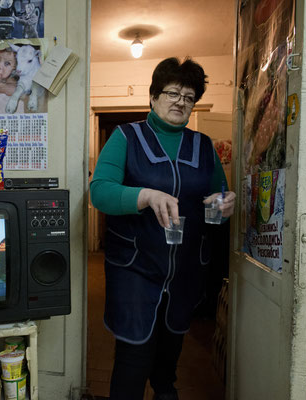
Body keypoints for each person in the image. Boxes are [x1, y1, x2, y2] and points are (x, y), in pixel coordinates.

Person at [90, 57, 236, 400]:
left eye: (189, 96)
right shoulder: (127, 137)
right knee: (134, 357)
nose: (180, 101)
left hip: (185, 270)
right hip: (135, 266)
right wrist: (145, 195)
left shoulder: (204, 147)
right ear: (154, 97)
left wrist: (223, 207)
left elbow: (215, 211)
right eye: (172, 93)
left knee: (169, 360)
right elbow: (100, 192)